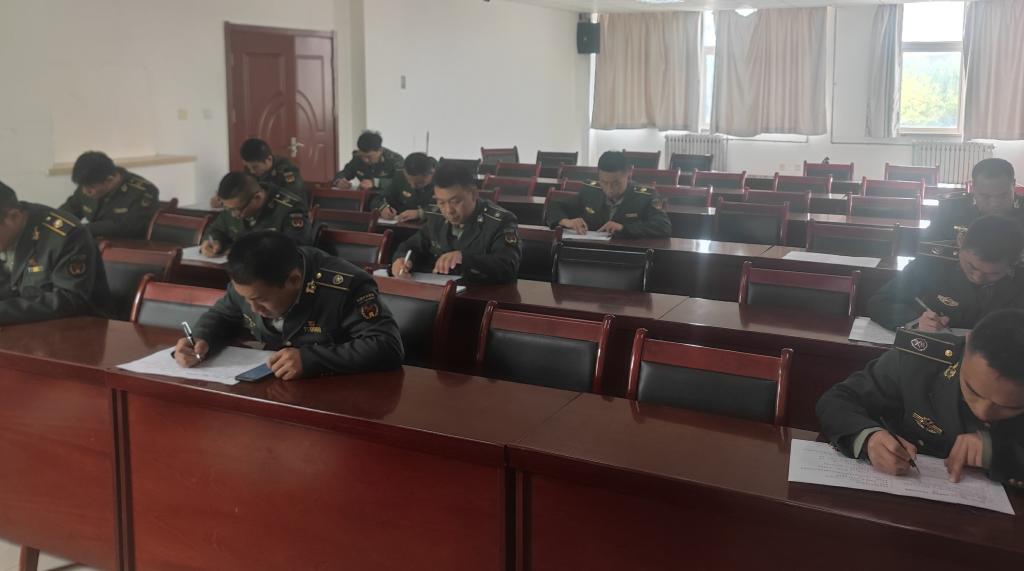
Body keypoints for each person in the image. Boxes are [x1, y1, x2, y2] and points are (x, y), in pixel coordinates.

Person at [817, 309, 1024, 487]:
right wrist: (869, 438)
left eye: (1009, 407)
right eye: (973, 391)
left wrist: (1003, 453)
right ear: (967, 343)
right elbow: (837, 400)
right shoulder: (919, 359)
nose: (983, 412)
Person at [174, 231, 404, 380]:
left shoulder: (345, 286)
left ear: (293, 280)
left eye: (261, 300)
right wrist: (201, 338)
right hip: (275, 386)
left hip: (338, 392)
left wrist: (312, 359)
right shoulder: (248, 281)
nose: (253, 308)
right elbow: (222, 316)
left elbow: (386, 345)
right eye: (247, 299)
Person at [867, 215, 1024, 331]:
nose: (977, 277)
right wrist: (915, 322)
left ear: (1015, 262)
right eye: (971, 266)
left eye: (993, 274)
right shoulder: (933, 262)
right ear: (960, 241)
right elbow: (880, 301)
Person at [390, 161, 520, 284]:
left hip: (479, 294)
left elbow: (508, 266)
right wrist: (401, 260)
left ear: (474, 194)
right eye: (441, 202)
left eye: (455, 201)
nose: (448, 210)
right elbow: (412, 245)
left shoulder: (500, 221)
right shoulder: (436, 216)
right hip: (438, 291)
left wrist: (465, 259)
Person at [0, 180, 109, 324]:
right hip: (24, 325)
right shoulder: (7, 233)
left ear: (13, 217)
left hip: (78, 328)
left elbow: (69, 300)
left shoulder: (66, 235)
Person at [544, 151, 671, 239]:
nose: (609, 189)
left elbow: (663, 227)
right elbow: (554, 206)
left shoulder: (646, 196)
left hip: (628, 255)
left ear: (628, 174)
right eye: (604, 182)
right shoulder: (590, 191)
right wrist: (567, 222)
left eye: (616, 183)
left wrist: (624, 228)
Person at [200, 172, 311, 257]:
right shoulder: (233, 206)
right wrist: (215, 242)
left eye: (237, 210)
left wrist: (243, 252)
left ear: (257, 198)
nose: (233, 215)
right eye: (228, 209)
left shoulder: (290, 209)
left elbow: (295, 251)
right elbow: (215, 229)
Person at [59, 151, 160, 239]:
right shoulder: (87, 184)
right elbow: (67, 211)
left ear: (109, 180)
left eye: (90, 187)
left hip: (125, 248)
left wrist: (81, 229)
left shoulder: (143, 191)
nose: (84, 191)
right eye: (82, 186)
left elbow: (125, 227)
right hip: (95, 243)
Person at [927, 158, 1024, 241]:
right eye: (985, 196)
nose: (994, 203)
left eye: (1002, 196)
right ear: (973, 187)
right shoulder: (951, 209)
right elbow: (927, 248)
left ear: (1013, 184)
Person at [210, 138, 305, 208]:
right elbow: (241, 189)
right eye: (248, 167)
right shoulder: (249, 169)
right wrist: (222, 198)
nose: (251, 171)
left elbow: (293, 200)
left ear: (269, 159)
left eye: (255, 167)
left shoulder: (287, 171)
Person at [373, 152, 437, 222]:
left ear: (432, 173)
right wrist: (383, 208)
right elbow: (377, 199)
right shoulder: (400, 176)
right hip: (399, 224)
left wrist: (420, 213)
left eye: (419, 183)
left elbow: (442, 210)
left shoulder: (441, 181)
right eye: (408, 181)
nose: (413, 186)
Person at [332, 130, 404, 191]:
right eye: (362, 155)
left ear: (380, 150)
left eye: (369, 157)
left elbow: (402, 182)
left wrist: (375, 183)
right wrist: (339, 181)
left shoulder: (395, 160)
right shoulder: (357, 158)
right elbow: (345, 172)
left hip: (388, 198)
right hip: (364, 197)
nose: (365, 160)